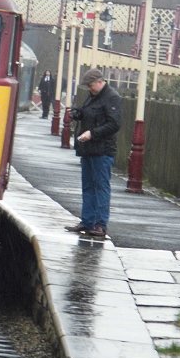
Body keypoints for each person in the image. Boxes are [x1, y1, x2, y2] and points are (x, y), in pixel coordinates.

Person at [64, 68, 122, 239]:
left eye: (91, 85)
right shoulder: (94, 95)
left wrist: (92, 133)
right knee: (88, 185)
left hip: (102, 150)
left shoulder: (112, 97)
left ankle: (100, 224)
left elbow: (114, 124)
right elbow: (88, 112)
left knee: (101, 187)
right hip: (88, 149)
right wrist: (78, 113)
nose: (89, 89)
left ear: (99, 81)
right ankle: (87, 221)